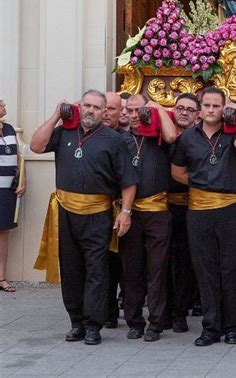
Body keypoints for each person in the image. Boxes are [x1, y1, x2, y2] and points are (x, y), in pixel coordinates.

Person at [31, 90, 138, 345]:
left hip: (98, 214)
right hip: (66, 212)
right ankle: (76, 322)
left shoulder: (114, 140)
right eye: (86, 106)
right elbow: (36, 145)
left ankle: (93, 325)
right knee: (71, 269)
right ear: (80, 108)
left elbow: (129, 181)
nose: (90, 110)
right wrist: (57, 114)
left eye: (96, 107)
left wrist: (125, 212)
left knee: (97, 271)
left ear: (104, 112)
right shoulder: (64, 132)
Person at [171, 87, 236, 347]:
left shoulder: (234, 131)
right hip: (200, 211)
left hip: (231, 210)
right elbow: (178, 172)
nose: (211, 110)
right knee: (206, 270)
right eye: (207, 106)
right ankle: (211, 327)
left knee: (232, 269)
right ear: (200, 109)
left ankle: (232, 327)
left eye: (217, 106)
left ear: (223, 108)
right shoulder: (188, 137)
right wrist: (205, 183)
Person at [120, 94, 176, 342]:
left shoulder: (159, 138)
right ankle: (134, 321)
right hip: (129, 212)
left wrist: (157, 108)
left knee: (157, 269)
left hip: (157, 211)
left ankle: (156, 322)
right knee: (131, 269)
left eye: (138, 111)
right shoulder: (119, 139)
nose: (133, 116)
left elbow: (173, 135)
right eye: (129, 111)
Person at [167, 93, 201, 333]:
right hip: (163, 206)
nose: (184, 112)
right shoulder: (162, 135)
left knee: (186, 263)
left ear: (197, 114)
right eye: (180, 108)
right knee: (164, 263)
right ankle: (164, 310)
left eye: (190, 109)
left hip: (192, 204)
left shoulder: (198, 139)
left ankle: (181, 312)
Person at [102, 91, 126, 329]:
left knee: (124, 261)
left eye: (112, 109)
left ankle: (127, 303)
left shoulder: (126, 139)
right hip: (98, 207)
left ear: (121, 112)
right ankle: (107, 310)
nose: (107, 113)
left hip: (123, 207)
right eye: (104, 108)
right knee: (104, 261)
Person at [0, 98, 26, 292]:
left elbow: (19, 156)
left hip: (7, 190)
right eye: (1, 105)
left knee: (3, 233)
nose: (4, 108)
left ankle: (2, 277)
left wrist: (23, 180)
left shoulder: (9, 129)